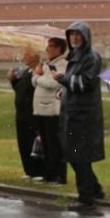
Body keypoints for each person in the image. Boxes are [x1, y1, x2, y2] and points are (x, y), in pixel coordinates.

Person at [55, 21, 106, 211]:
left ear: (85, 37)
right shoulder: (75, 56)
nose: (75, 38)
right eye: (72, 35)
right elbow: (73, 84)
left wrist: (62, 79)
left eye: (78, 35)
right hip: (74, 114)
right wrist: (64, 90)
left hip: (84, 117)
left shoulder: (91, 57)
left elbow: (85, 83)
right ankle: (95, 189)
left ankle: (86, 199)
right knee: (76, 156)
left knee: (79, 157)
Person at [30, 36, 68, 185]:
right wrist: (37, 75)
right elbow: (34, 81)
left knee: (55, 144)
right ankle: (48, 173)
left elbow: (52, 83)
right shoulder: (46, 65)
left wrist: (37, 77)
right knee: (45, 143)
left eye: (50, 46)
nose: (47, 50)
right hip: (40, 109)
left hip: (53, 109)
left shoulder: (62, 65)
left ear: (59, 49)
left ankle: (59, 175)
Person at [9, 50, 44, 179]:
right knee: (23, 143)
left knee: (34, 143)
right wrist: (13, 80)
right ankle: (29, 170)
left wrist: (37, 76)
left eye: (27, 55)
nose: (24, 57)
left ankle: (39, 171)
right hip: (21, 114)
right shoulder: (26, 72)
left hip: (32, 114)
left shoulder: (38, 72)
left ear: (35, 57)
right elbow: (19, 89)